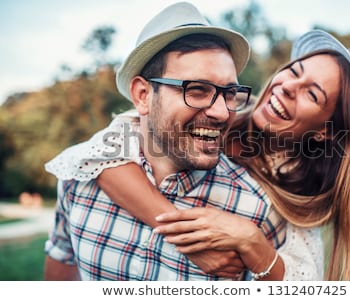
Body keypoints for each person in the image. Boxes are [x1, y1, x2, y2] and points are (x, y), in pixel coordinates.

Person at [47, 27, 350, 280]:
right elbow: (109, 147)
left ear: (326, 130)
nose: (287, 87)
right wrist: (186, 237)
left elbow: (301, 281)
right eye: (293, 71)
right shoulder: (221, 115)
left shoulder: (296, 199)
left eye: (312, 94)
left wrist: (252, 243)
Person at [43, 2, 287, 281]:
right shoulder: (81, 175)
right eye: (196, 90)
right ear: (143, 96)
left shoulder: (257, 209)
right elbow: (62, 257)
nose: (222, 112)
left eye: (230, 93)